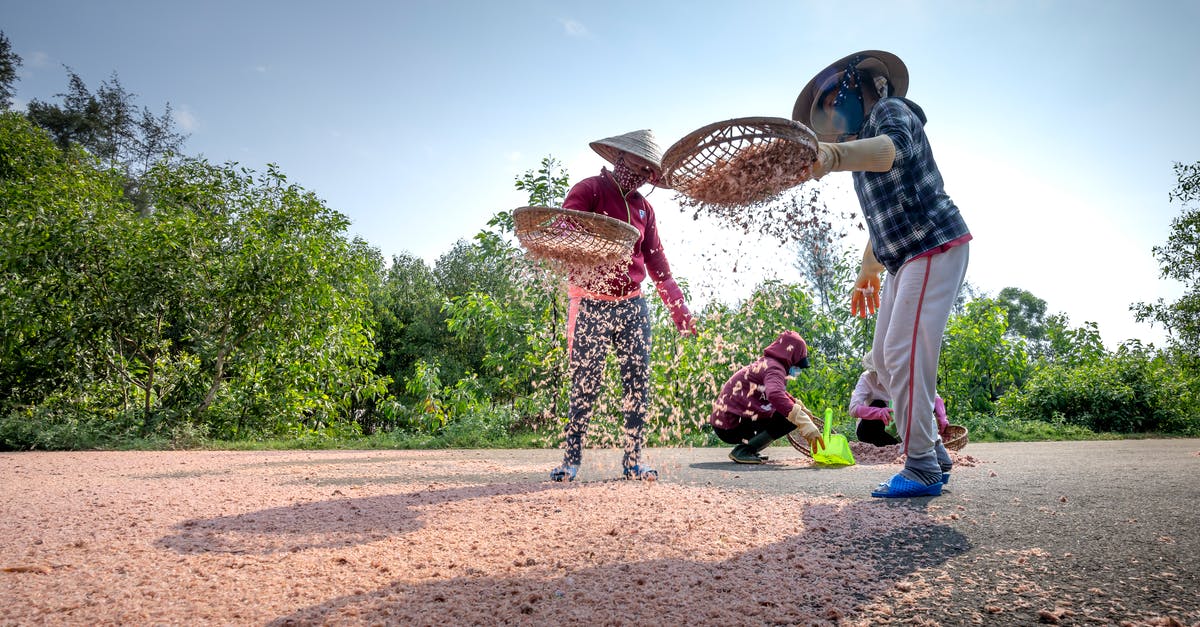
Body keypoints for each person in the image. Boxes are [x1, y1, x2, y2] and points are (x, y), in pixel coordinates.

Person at [794, 50, 970, 498]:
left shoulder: (891, 112)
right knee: (883, 360)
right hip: (901, 258)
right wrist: (867, 271)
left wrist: (833, 155)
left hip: (932, 243)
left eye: (833, 96)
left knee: (903, 350)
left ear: (860, 85)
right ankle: (934, 448)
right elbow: (883, 219)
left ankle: (922, 465)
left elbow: (891, 152)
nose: (829, 109)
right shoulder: (860, 145)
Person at [549, 129, 696, 482]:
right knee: (585, 382)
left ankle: (633, 461)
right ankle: (571, 460)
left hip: (632, 305)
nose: (643, 174)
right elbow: (565, 231)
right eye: (638, 165)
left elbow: (658, 264)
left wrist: (678, 306)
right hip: (592, 302)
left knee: (637, 382)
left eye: (649, 170)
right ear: (618, 159)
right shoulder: (589, 190)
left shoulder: (645, 209)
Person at [708, 331, 824, 464]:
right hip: (731, 425)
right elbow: (775, 395)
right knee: (788, 418)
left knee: (790, 411)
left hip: (726, 423)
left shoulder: (769, 364)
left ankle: (748, 450)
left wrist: (800, 406)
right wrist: (803, 421)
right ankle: (744, 451)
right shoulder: (774, 368)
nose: (798, 369)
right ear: (791, 356)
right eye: (798, 364)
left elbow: (778, 393)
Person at [850, 350, 950, 449]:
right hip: (872, 431)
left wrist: (942, 416)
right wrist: (879, 412)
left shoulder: (907, 374)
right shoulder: (867, 378)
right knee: (878, 403)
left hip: (900, 430)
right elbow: (853, 409)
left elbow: (932, 395)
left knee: (920, 402)